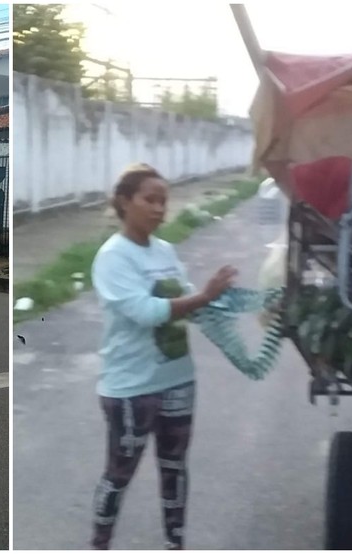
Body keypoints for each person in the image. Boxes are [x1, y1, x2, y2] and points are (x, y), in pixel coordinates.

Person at [89, 164, 237, 550]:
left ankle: (176, 542)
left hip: (177, 381)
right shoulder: (112, 257)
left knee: (175, 470)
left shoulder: (166, 251)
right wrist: (203, 296)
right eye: (150, 200)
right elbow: (146, 311)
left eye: (163, 201)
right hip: (130, 389)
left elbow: (190, 304)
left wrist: (229, 302)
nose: (159, 209)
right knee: (119, 474)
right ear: (125, 202)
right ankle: (99, 543)